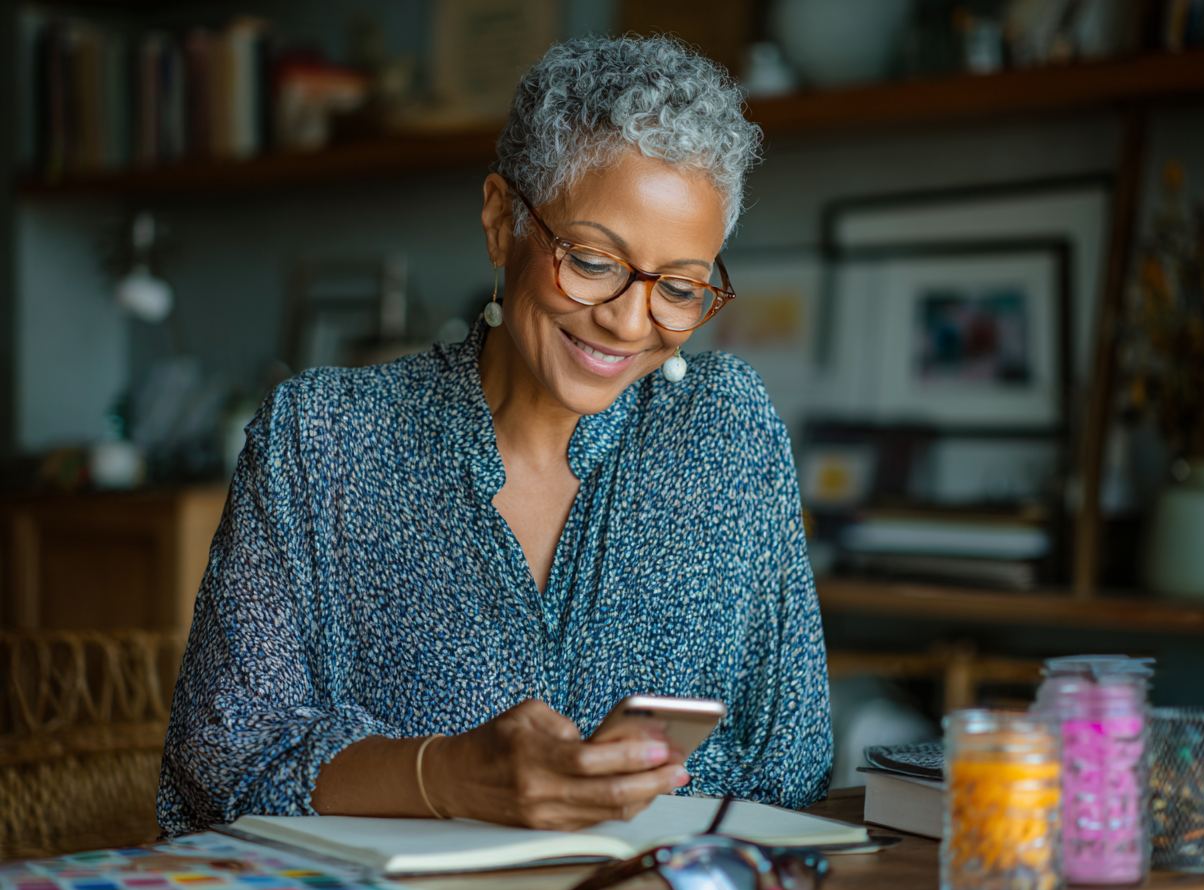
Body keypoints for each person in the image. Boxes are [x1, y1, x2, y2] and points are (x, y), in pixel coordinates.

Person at [158, 34, 832, 837]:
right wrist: (450, 776)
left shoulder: (727, 430)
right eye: (591, 260)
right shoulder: (322, 439)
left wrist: (604, 792)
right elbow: (221, 761)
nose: (627, 319)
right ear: (500, 222)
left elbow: (793, 755)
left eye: (679, 287)